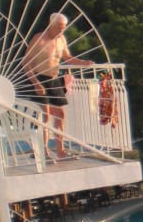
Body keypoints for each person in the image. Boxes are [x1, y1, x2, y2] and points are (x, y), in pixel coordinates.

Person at [22, 12, 93, 158]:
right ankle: (43, 150)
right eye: (59, 27)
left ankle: (60, 150)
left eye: (64, 27)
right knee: (46, 116)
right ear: (51, 24)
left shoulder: (61, 39)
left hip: (54, 79)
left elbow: (67, 58)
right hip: (39, 78)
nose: (62, 30)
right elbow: (26, 63)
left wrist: (83, 63)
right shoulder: (39, 39)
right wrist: (36, 83)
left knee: (60, 114)